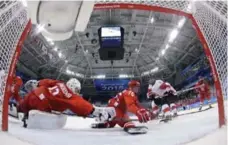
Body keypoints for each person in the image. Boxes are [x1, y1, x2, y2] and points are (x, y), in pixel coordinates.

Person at [17, 78, 116, 127]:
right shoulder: (71, 95)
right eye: (77, 89)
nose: (77, 92)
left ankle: (20, 108)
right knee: (49, 116)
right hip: (43, 103)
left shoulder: (59, 83)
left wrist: (38, 83)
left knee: (21, 106)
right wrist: (94, 110)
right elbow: (80, 105)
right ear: (72, 86)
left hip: (35, 93)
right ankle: (28, 118)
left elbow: (46, 82)